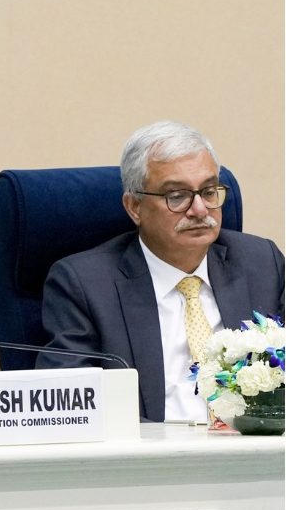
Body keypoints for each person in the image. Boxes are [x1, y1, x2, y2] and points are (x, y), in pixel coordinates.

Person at [39, 121, 284, 422]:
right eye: (177, 196)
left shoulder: (261, 263)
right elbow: (69, 406)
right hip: (148, 449)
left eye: (209, 192)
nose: (199, 210)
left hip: (255, 447)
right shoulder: (84, 285)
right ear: (135, 207)